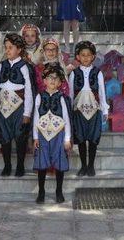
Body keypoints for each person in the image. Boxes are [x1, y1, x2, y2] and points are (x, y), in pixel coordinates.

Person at [0, 33, 34, 177]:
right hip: (3, 107)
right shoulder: (1, 66)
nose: (8, 50)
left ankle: (20, 166)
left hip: (19, 108)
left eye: (11, 47)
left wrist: (27, 113)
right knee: (4, 137)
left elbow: (29, 90)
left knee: (20, 137)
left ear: (19, 49)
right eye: (6, 48)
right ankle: (7, 165)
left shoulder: (25, 67)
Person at [33, 63, 72, 204]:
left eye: (56, 78)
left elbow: (66, 118)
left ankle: (59, 191)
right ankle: (41, 191)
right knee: (42, 162)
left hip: (58, 135)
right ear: (44, 81)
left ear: (60, 82)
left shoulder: (62, 98)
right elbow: (36, 118)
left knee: (59, 162)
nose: (52, 80)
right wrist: (35, 137)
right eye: (49, 78)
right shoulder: (39, 97)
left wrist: (67, 138)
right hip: (43, 135)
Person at [68, 41, 108, 177]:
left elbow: (102, 93)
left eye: (88, 55)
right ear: (78, 57)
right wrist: (70, 110)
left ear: (93, 57)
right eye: (82, 55)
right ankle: (83, 166)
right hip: (79, 110)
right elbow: (70, 94)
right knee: (80, 138)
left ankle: (91, 166)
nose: (85, 58)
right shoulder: (74, 73)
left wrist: (105, 110)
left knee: (92, 139)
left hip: (94, 110)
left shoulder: (98, 73)